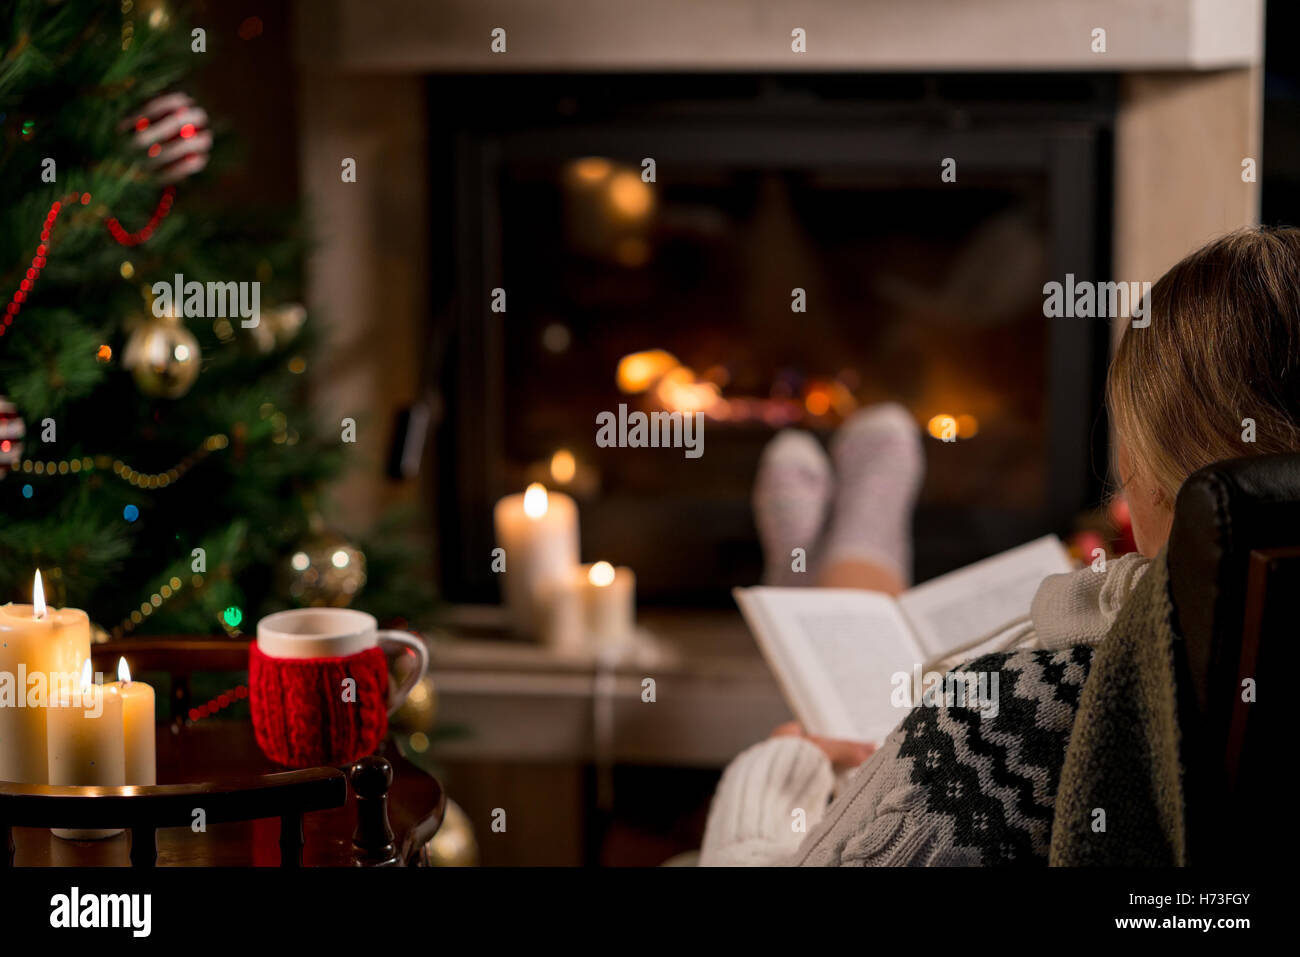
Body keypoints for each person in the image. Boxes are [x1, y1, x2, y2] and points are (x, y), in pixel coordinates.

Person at [701, 226, 1300, 865]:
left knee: (821, 731)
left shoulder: (1011, 725)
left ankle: (810, 570)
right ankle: (841, 552)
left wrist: (773, 776)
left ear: (1145, 474)